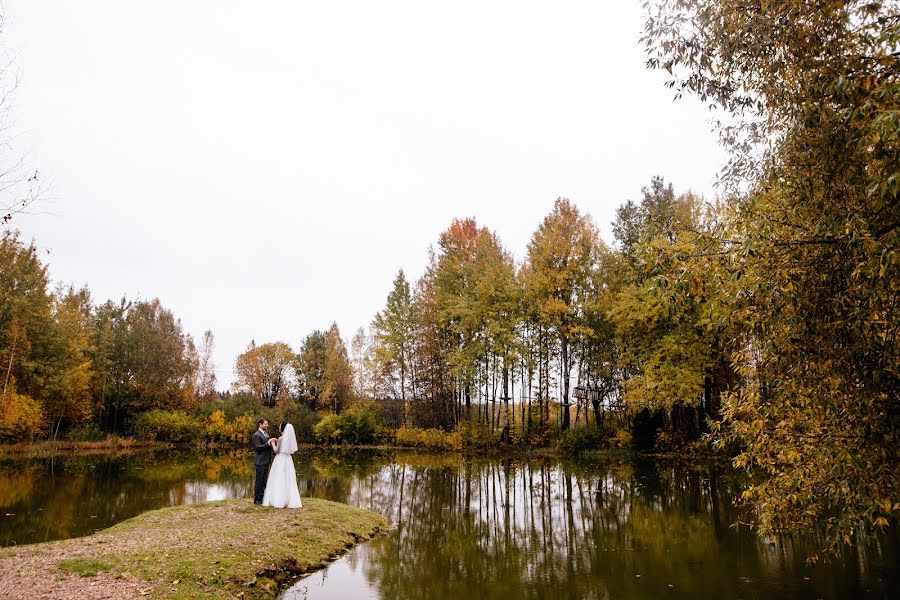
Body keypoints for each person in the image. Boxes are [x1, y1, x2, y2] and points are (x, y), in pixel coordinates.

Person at [262, 421, 302, 508]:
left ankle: (278, 500)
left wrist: (272, 443)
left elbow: (277, 450)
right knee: (288, 479)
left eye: (280, 426)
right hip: (288, 459)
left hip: (280, 460)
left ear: (283, 428)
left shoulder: (281, 438)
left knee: (279, 478)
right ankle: (289, 500)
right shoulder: (288, 439)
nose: (279, 427)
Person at [251, 418, 274, 505]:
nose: (267, 426)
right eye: (265, 424)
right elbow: (258, 447)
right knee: (259, 482)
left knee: (264, 481)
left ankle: (262, 498)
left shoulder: (266, 434)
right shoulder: (256, 435)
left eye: (267, 424)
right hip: (260, 461)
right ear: (260, 424)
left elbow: (267, 446)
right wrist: (268, 443)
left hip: (266, 461)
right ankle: (257, 500)